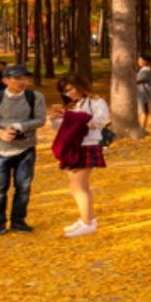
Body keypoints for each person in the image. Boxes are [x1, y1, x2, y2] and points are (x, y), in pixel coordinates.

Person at [0, 65, 45, 237]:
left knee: (23, 187)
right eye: (18, 78)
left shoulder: (35, 97)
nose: (23, 82)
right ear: (5, 80)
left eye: (25, 78)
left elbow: (40, 120)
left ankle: (18, 221)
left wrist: (20, 126)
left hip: (25, 149)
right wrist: (0, 133)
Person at [51, 75, 109, 238]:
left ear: (80, 85)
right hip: (71, 147)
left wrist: (74, 117)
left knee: (76, 187)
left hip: (87, 145)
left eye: (71, 89)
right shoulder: (71, 105)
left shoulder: (96, 102)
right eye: (65, 91)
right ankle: (87, 219)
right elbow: (62, 129)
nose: (69, 93)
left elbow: (100, 121)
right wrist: (55, 119)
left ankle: (87, 223)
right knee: (81, 186)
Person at [135, 55, 151, 126]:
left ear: (145, 61)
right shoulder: (144, 70)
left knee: (143, 111)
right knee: (143, 111)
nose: (138, 62)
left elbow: (136, 79)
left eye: (140, 60)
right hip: (142, 93)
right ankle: (142, 127)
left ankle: (142, 128)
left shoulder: (146, 70)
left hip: (144, 93)